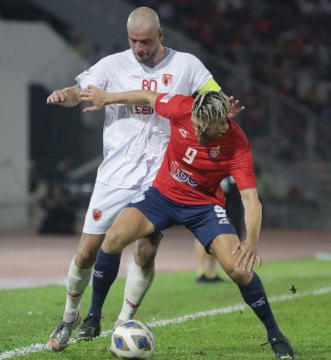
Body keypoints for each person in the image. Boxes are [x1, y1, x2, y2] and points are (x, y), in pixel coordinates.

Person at [44, 6, 225, 352]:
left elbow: (212, 92)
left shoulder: (185, 64)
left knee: (145, 252)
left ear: (160, 36)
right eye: (133, 41)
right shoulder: (113, 65)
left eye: (145, 41)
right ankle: (70, 318)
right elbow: (78, 91)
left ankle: (122, 323)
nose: (139, 48)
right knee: (86, 253)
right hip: (115, 175)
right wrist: (64, 96)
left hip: (159, 177)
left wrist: (219, 103)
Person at [80, 86, 295, 359]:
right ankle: (92, 317)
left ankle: (276, 336)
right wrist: (108, 98)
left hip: (203, 207)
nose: (198, 133)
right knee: (113, 238)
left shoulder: (237, 145)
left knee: (239, 269)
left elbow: (251, 200)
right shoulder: (182, 107)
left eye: (205, 129)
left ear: (223, 121)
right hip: (161, 196)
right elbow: (148, 96)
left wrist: (251, 240)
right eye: (195, 126)